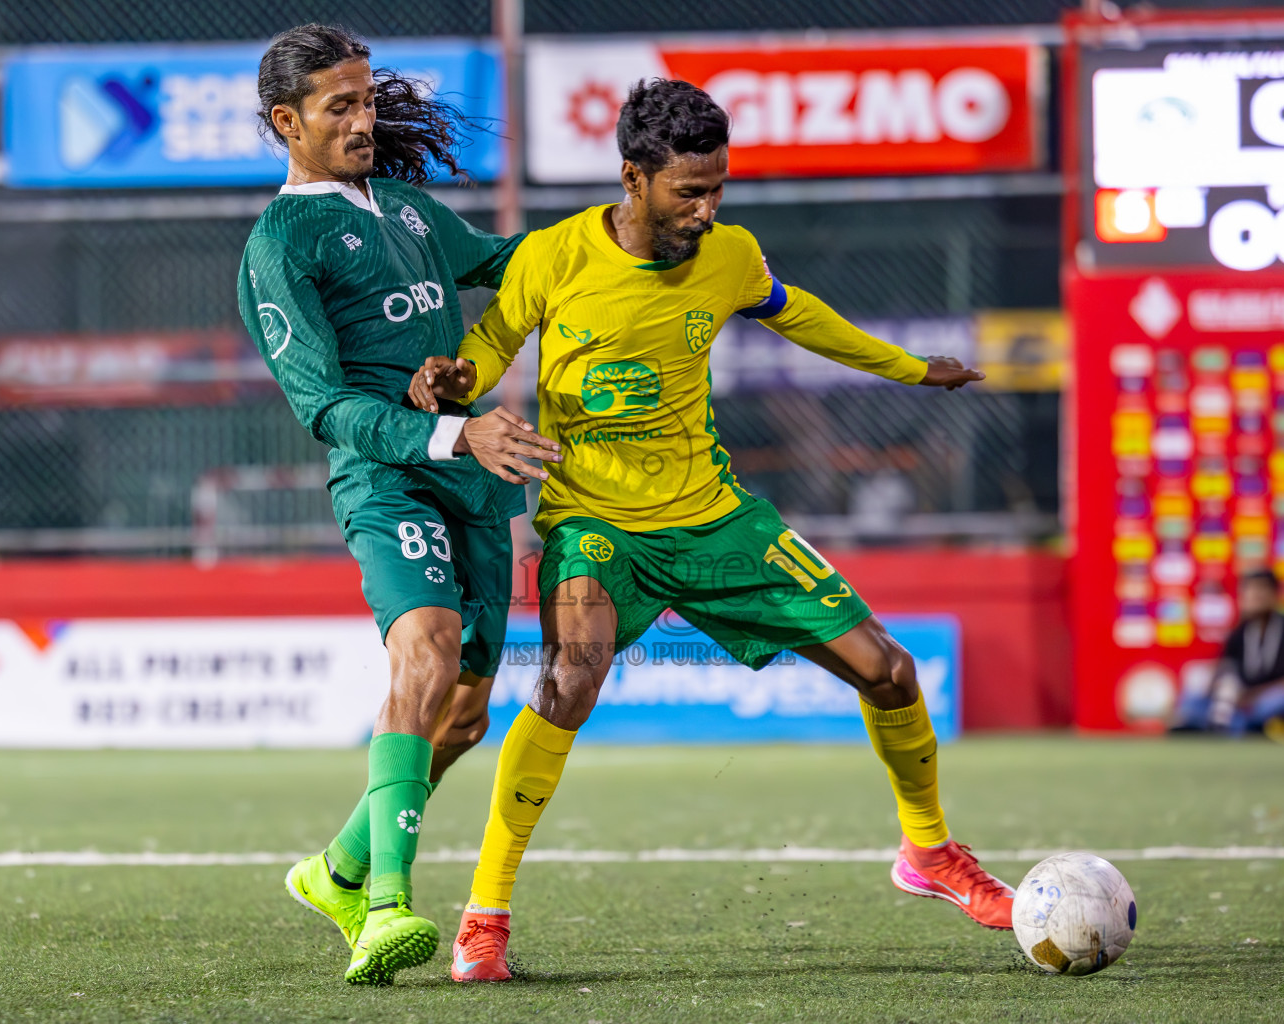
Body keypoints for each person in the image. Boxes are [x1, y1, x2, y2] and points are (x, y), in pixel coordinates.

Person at [412, 78, 1013, 983]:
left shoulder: (730, 253)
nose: (707, 207)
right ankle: (485, 916)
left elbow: (794, 310)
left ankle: (928, 853)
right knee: (569, 679)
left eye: (718, 188)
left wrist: (910, 370)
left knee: (888, 669)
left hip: (716, 514)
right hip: (597, 519)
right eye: (688, 191)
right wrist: (460, 382)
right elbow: (492, 344)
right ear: (633, 178)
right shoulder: (554, 255)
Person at [236, 24, 561, 987]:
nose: (365, 119)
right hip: (386, 478)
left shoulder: (408, 208)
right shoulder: (279, 244)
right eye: (341, 107)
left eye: (368, 99)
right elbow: (324, 406)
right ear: (285, 123)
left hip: (470, 478)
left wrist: (618, 235)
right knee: (421, 645)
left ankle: (336, 870)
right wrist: (455, 431)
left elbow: (509, 262)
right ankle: (383, 910)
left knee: (461, 717)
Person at [1170, 569, 1284, 737]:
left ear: (1275, 595)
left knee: (1276, 702)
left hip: (1282, 702)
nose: (1255, 597)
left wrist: (1253, 696)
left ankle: (1281, 727)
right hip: (1245, 705)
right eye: (1249, 591)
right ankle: (1198, 725)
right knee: (1194, 699)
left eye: (1261, 590)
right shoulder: (1240, 633)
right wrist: (1216, 690)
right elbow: (1224, 670)